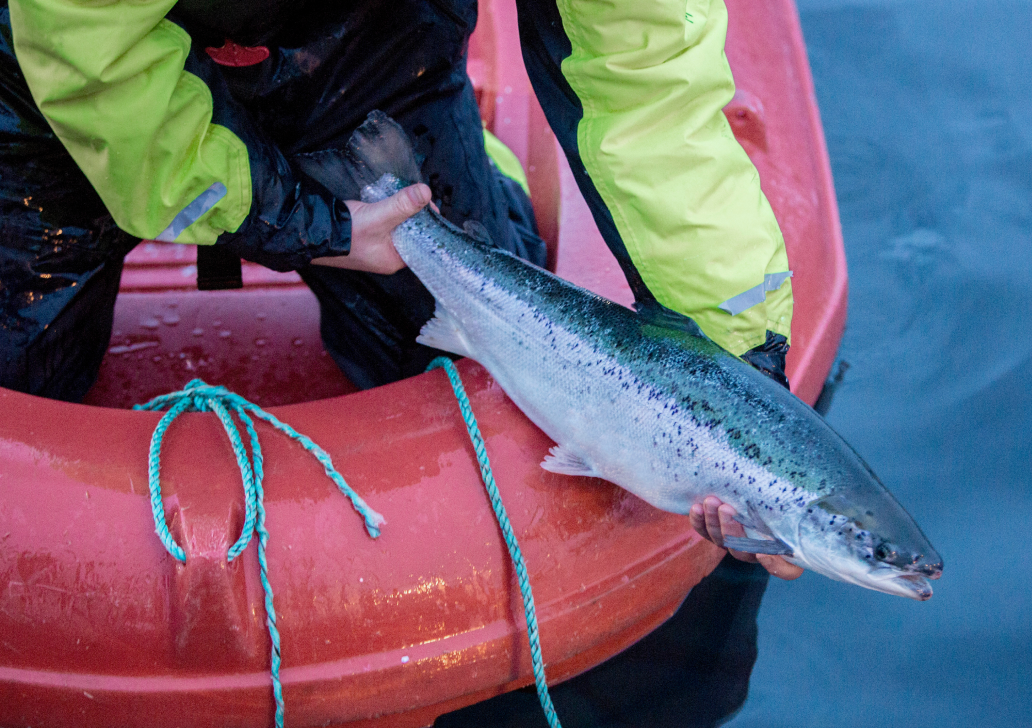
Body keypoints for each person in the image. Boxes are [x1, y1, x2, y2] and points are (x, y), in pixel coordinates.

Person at [2, 0, 800, 722]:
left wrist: (743, 377)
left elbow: (650, 85)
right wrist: (304, 221)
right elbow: (87, 54)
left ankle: (478, 181)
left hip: (369, 58)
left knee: (472, 354)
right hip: (64, 81)